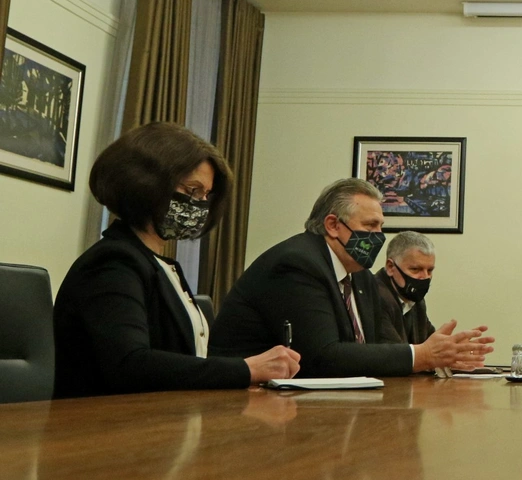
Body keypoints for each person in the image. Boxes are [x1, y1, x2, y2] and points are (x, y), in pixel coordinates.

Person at [52, 122, 300, 398]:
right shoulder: (112, 262)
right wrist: (246, 369)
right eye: (192, 191)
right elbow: (129, 365)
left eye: (205, 195)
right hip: (104, 419)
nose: (200, 205)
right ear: (146, 183)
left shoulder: (159, 264)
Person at [210, 178, 493, 376]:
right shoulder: (298, 264)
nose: (379, 237)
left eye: (381, 227)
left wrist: (442, 356)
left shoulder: (361, 277)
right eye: (370, 226)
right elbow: (322, 356)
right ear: (333, 225)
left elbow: (376, 347)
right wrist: (421, 356)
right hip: (241, 401)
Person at [373, 230, 487, 348]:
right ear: (390, 267)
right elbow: (394, 354)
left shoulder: (415, 300)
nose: (425, 277)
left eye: (430, 270)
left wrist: (455, 348)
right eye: (415, 269)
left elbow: (431, 344)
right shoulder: (374, 297)